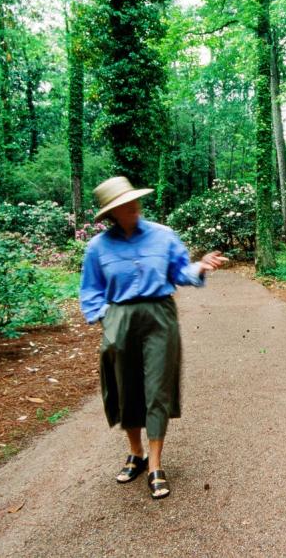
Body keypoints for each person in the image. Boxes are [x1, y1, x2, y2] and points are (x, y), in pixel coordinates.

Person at [80, 176, 228, 499]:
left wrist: (200, 267)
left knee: (157, 386)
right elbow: (90, 290)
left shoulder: (163, 236)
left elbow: (179, 272)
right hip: (119, 317)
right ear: (112, 213)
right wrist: (106, 318)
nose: (132, 208)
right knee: (124, 387)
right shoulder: (98, 248)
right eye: (123, 205)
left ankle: (156, 464)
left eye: (133, 201)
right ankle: (136, 453)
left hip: (160, 316)